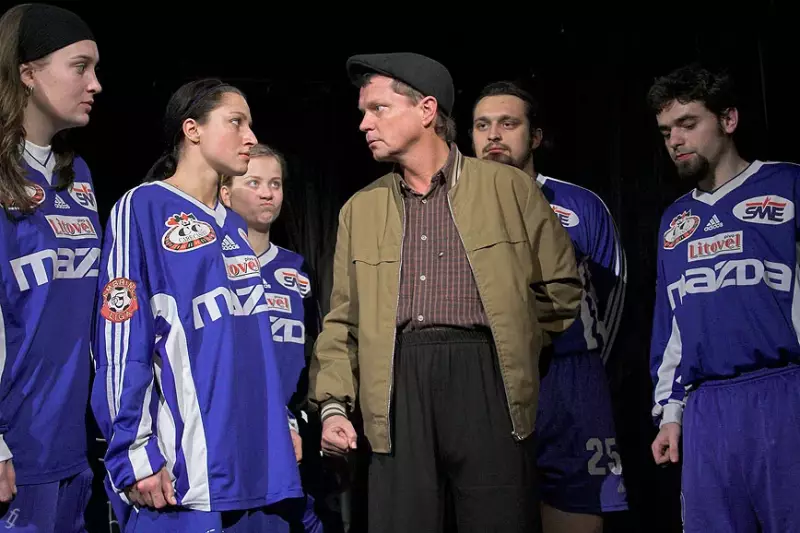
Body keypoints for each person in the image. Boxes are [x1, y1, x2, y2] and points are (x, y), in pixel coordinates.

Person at [308, 52, 583, 533]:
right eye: (363, 112)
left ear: (427, 110)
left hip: (488, 379)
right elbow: (343, 322)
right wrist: (333, 406)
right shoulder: (360, 209)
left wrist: (514, 346)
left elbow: (559, 290)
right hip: (395, 385)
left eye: (378, 109)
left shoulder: (509, 189)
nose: (364, 124)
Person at [91, 78, 303, 532]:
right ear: (193, 130)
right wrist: (133, 452)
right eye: (236, 122)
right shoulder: (143, 207)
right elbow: (121, 336)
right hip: (185, 479)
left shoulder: (235, 226)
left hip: (260, 472)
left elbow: (252, 347)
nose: (250, 137)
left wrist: (282, 420)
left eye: (251, 124)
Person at [648, 63, 800, 533]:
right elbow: (671, 326)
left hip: (785, 393)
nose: (675, 140)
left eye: (687, 124)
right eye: (666, 131)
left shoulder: (789, 184)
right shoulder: (674, 221)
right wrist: (670, 414)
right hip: (706, 409)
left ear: (728, 120)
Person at [471, 80, 628, 533]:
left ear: (535, 136)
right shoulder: (451, 211)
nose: (494, 135)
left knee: (576, 517)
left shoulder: (580, 205)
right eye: (482, 125)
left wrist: (585, 366)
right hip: (488, 385)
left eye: (508, 123)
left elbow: (614, 301)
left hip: (572, 382)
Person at [0, 4, 101, 531]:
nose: (95, 84)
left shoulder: (77, 175)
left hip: (70, 446)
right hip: (13, 454)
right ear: (28, 73)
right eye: (80, 67)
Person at [219, 143, 325, 533]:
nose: (267, 193)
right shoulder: (209, 263)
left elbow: (312, 353)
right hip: (227, 442)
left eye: (275, 184)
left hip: (291, 443)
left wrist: (296, 422)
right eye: (254, 183)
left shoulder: (297, 269)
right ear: (225, 193)